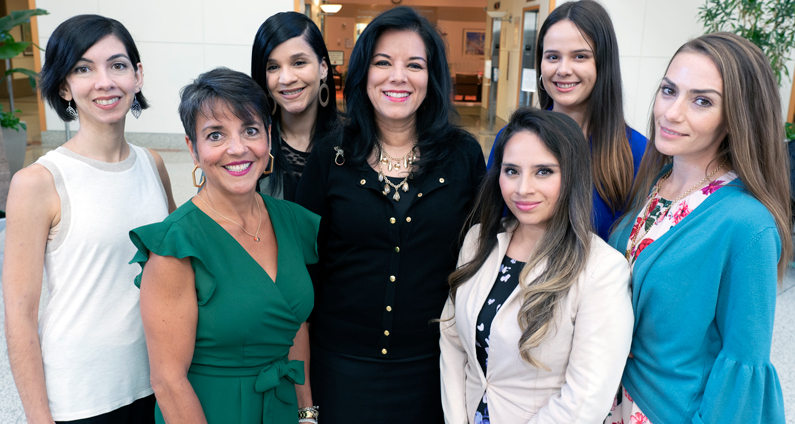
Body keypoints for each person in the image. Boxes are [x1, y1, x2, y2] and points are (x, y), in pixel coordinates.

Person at [294, 6, 487, 423]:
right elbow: (302, 270)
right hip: (341, 368)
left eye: (414, 65)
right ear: (364, 73)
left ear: (431, 78)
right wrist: (305, 400)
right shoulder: (331, 155)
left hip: (432, 369)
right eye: (383, 62)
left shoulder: (462, 156)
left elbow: (480, 260)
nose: (397, 77)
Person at [606, 33, 790, 424]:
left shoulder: (747, 225)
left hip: (668, 412)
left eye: (701, 101)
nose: (671, 112)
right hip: (610, 399)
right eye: (669, 90)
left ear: (735, 117)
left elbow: (744, 363)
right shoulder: (654, 185)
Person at [2, 14, 176, 423]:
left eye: (117, 65)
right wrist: (38, 418)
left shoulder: (153, 164)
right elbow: (19, 318)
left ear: (138, 75)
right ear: (64, 86)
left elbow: (171, 274)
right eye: (83, 68)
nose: (105, 81)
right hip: (82, 395)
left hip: (156, 381)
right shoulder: (38, 182)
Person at [130, 67, 320, 424]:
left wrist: (306, 412)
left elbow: (294, 326)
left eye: (250, 130)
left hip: (281, 408)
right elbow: (168, 381)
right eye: (215, 135)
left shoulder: (291, 220)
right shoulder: (176, 245)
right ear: (193, 148)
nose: (237, 149)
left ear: (269, 137)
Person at [440, 108, 633, 423]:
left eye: (543, 171)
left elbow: (585, 399)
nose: (522, 188)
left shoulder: (601, 270)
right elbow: (451, 341)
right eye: (512, 170)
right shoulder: (479, 240)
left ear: (572, 175)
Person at [486, 0, 646, 240]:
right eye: (552, 57)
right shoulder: (511, 139)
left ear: (603, 64)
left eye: (579, 56)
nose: (563, 69)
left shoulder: (638, 152)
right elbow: (492, 223)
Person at [251, 11, 338, 201]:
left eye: (299, 63)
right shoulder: (251, 144)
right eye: (273, 67)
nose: (287, 78)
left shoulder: (353, 142)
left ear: (323, 68)